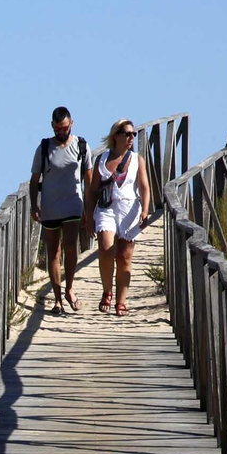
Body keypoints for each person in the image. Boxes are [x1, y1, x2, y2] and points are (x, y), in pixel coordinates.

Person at [84, 118, 154, 315]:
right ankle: (107, 291)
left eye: (134, 134)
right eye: (128, 134)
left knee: (124, 257)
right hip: (106, 209)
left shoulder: (137, 160)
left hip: (129, 210)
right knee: (106, 249)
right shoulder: (102, 159)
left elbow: (145, 187)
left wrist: (145, 210)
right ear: (116, 136)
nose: (131, 137)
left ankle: (121, 301)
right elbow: (93, 190)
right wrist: (88, 216)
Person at [29, 107, 90, 314]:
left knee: (71, 247)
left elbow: (89, 179)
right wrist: (33, 205)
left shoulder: (81, 146)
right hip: (50, 207)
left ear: (71, 123)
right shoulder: (44, 147)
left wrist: (89, 208)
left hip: (73, 204)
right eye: (56, 128)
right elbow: (34, 179)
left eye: (63, 127)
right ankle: (57, 299)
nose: (60, 131)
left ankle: (69, 289)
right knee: (53, 253)